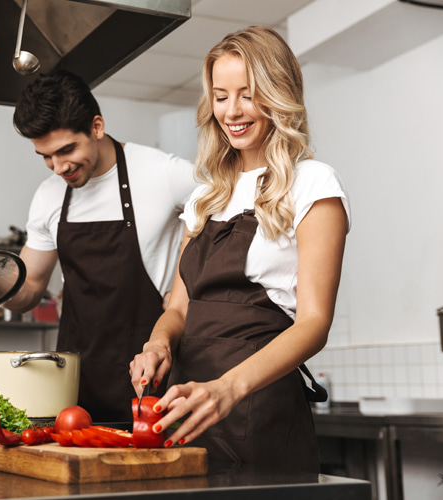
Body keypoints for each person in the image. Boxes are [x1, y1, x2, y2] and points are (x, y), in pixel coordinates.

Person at [128, 26, 351, 472]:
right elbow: (178, 308)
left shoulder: (312, 184)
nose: (232, 111)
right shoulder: (205, 196)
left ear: (278, 93)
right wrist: (157, 343)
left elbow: (314, 324)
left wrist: (228, 388)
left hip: (257, 406)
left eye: (247, 94)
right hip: (186, 408)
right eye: (221, 95)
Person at [0, 70, 198, 422]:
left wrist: (182, 287)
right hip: (75, 389)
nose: (58, 167)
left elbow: (221, 206)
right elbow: (29, 291)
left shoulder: (161, 173)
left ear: (96, 127)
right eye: (45, 156)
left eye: (66, 150)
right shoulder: (49, 197)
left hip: (153, 381)